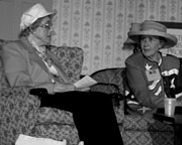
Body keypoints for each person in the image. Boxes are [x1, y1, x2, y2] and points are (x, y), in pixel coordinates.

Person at [1, 3, 124, 145]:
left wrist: (76, 87)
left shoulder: (49, 55)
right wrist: (55, 87)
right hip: (38, 95)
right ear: (31, 28)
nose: (51, 30)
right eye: (47, 26)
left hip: (60, 94)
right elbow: (19, 82)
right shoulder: (13, 48)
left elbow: (66, 83)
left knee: (101, 98)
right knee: (92, 101)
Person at [124, 20, 182, 114]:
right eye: (143, 39)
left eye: (151, 39)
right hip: (144, 108)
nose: (145, 43)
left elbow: (180, 92)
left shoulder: (174, 62)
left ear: (160, 44)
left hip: (172, 106)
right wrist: (178, 103)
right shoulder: (133, 62)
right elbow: (144, 99)